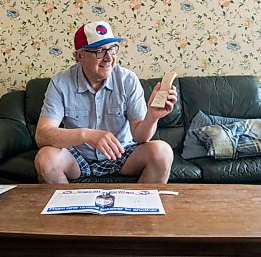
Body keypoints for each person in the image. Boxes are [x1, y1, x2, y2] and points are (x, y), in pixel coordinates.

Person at [34, 21, 177, 183]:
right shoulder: (60, 82)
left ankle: (141, 206)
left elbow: (140, 137)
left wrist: (152, 116)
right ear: (79, 56)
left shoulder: (128, 80)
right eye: (99, 51)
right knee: (46, 158)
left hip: (122, 153)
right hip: (77, 158)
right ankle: (68, 208)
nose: (109, 58)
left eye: (112, 49)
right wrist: (87, 135)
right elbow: (42, 135)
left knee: (162, 151)